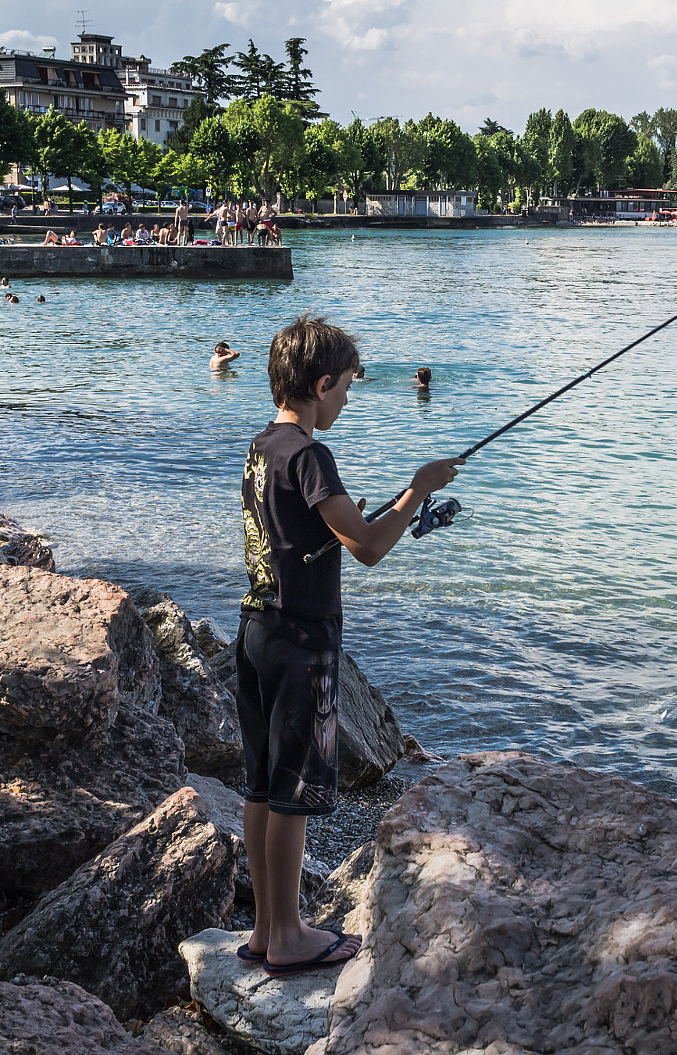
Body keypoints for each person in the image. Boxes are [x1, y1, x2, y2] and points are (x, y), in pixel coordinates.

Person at [234, 315, 461, 976]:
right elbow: (365, 547)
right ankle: (288, 937)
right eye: (345, 391)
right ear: (322, 382)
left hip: (255, 632)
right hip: (302, 642)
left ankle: (262, 929)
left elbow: (301, 529)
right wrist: (419, 487)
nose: (345, 402)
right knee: (293, 794)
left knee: (259, 785)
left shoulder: (263, 446)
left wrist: (356, 515)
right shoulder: (310, 453)